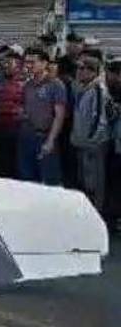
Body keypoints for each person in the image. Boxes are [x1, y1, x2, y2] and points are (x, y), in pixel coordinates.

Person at [18, 47, 66, 186]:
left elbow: (59, 115)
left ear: (44, 63)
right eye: (26, 62)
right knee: (27, 179)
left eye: (33, 62)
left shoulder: (56, 85)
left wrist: (51, 140)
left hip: (45, 137)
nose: (29, 65)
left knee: (49, 180)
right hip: (27, 136)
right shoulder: (28, 85)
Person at [69, 55, 112, 212]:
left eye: (82, 68)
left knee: (95, 182)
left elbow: (100, 118)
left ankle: (97, 212)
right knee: (85, 181)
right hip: (82, 143)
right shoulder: (82, 88)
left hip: (93, 144)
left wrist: (91, 139)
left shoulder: (98, 90)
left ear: (91, 71)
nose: (78, 72)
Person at [0, 50, 25, 178]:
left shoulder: (24, 85)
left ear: (19, 65)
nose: (6, 66)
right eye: (4, 62)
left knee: (14, 167)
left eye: (10, 63)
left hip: (16, 131)